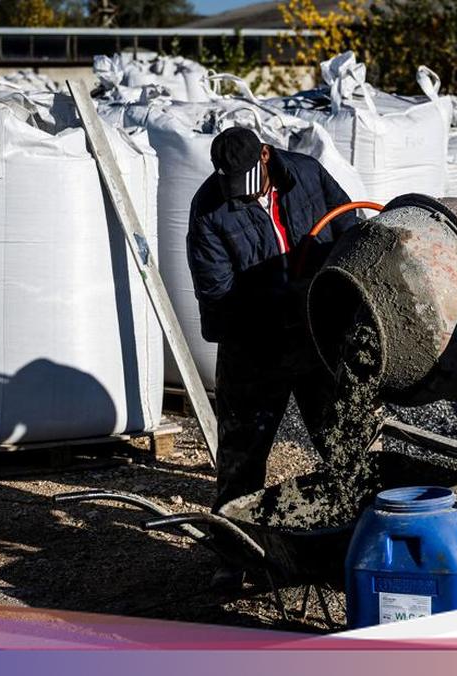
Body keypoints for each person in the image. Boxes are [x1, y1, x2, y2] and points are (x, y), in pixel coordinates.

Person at [188, 128, 359, 584]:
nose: (241, 197)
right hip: (254, 349)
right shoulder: (209, 210)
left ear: (266, 156)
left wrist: (335, 295)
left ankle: (362, 542)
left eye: (248, 182)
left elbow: (350, 232)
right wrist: (289, 299)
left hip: (319, 339)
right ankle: (235, 558)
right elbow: (219, 296)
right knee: (241, 460)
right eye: (232, 187)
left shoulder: (307, 175)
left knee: (345, 444)